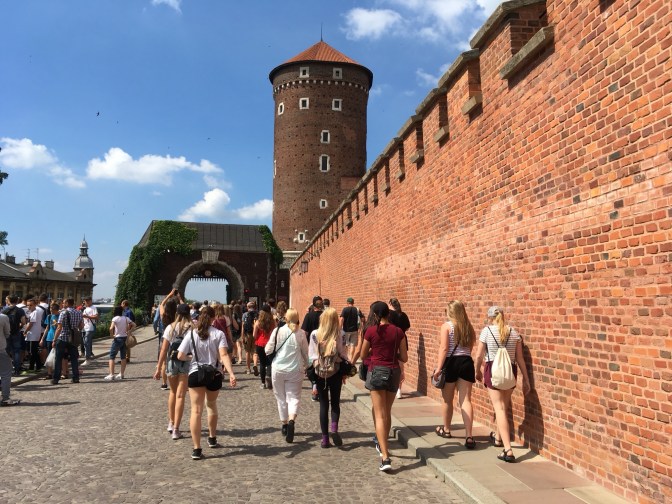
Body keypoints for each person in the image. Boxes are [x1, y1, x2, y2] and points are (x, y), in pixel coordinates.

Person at [176, 306, 237, 460]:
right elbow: (223, 355)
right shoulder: (218, 334)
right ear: (213, 318)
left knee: (196, 411)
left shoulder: (191, 334)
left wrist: (191, 358)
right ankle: (212, 437)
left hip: (195, 373)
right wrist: (231, 373)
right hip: (213, 374)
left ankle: (196, 449)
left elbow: (180, 355)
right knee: (211, 405)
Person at [474, 306, 531, 463]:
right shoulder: (514, 332)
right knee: (503, 407)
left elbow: (479, 355)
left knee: (498, 408)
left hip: (493, 369)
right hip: (510, 370)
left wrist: (477, 371)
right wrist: (526, 379)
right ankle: (498, 438)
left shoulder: (487, 331)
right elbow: (520, 358)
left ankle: (508, 450)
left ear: (490, 317)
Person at [359, 301, 407, 471]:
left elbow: (363, 354)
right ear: (388, 313)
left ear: (375, 315)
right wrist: (391, 353)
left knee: (379, 415)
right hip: (393, 372)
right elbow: (404, 357)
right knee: (387, 412)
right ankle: (384, 444)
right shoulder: (399, 331)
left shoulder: (371, 331)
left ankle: (385, 456)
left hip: (377, 371)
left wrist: (375, 351)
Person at [431, 300, 477, 449]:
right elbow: (470, 348)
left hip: (451, 363)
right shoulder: (468, 327)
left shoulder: (447, 326)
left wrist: (439, 368)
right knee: (466, 400)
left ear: (450, 312)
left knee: (447, 399)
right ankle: (469, 436)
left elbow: (444, 348)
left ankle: (446, 429)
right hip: (466, 362)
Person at [265, 308, 308, 443]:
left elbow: (268, 349)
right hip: (295, 369)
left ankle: (284, 425)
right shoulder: (301, 333)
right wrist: (308, 366)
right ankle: (291, 421)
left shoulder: (277, 331)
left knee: (281, 398)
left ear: (286, 318)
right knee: (293, 397)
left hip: (278, 369)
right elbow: (306, 353)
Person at [308, 307, 349, 448]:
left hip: (320, 373)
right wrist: (345, 372)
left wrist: (314, 377)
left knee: (323, 404)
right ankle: (334, 429)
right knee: (335, 403)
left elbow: (312, 355)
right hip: (336, 371)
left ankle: (325, 439)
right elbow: (343, 354)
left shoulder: (315, 334)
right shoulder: (341, 334)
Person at [154, 303, 191, 440]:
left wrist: (158, 368)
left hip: (172, 361)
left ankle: (171, 422)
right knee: (181, 396)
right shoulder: (193, 328)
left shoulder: (170, 327)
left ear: (177, 314)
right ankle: (176, 429)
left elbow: (164, 349)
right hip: (186, 361)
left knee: (173, 393)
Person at [52, 298, 84, 385]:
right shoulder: (79, 312)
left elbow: (59, 327)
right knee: (74, 359)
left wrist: (54, 339)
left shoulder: (63, 313)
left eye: (63, 303)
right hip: (73, 339)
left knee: (58, 359)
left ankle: (56, 379)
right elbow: (81, 326)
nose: (63, 304)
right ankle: (75, 377)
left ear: (67, 303)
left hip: (63, 338)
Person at [301, 296, 324, 401]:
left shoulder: (309, 315)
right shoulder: (325, 315)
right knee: (322, 366)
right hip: (324, 345)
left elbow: (304, 332)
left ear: (313, 305)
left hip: (312, 345)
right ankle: (320, 389)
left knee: (312, 368)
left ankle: (315, 388)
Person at [105, 306, 136, 381]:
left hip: (117, 338)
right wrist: (129, 331)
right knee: (123, 357)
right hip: (124, 338)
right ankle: (121, 374)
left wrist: (112, 335)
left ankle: (111, 374)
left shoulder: (115, 318)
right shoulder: (126, 318)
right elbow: (134, 325)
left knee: (112, 356)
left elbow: (111, 328)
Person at [2, 295, 26, 376]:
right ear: (17, 301)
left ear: (9, 300)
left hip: (6, 333)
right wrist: (19, 327)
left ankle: (6, 370)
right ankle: (17, 370)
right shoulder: (20, 310)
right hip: (16, 333)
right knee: (16, 352)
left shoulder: (4, 310)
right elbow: (23, 322)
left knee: (6, 352)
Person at [253, 304, 276, 389]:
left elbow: (254, 335)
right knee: (270, 362)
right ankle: (268, 375)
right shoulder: (273, 322)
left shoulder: (258, 322)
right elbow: (275, 333)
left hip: (260, 344)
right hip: (270, 344)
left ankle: (263, 383)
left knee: (262, 363)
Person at [0, 309, 20, 405]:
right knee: (6, 374)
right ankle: (5, 398)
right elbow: (7, 333)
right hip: (0, 349)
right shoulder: (3, 317)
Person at [22, 298, 44, 373]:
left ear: (35, 305)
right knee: (34, 352)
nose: (29, 307)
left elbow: (31, 324)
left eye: (30, 305)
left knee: (32, 352)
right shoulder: (32, 312)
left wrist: (25, 331)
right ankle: (38, 366)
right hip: (32, 335)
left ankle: (31, 367)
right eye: (28, 305)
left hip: (33, 335)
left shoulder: (35, 312)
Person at [39, 303, 60, 380]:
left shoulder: (60, 316)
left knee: (58, 356)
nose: (51, 312)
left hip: (58, 338)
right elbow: (47, 328)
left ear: (57, 310)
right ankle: (49, 373)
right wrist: (42, 339)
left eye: (53, 310)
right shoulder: (49, 316)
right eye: (51, 310)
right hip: (49, 338)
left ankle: (57, 372)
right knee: (49, 356)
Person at [340, 297, 364, 363]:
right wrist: (361, 327)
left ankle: (347, 358)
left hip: (346, 330)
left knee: (346, 344)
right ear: (353, 303)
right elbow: (362, 319)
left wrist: (340, 328)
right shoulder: (357, 309)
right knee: (352, 345)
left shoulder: (345, 309)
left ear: (347, 303)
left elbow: (341, 319)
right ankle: (350, 359)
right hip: (354, 330)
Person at [241, 301, 258, 375]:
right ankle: (255, 365)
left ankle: (248, 369)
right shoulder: (257, 314)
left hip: (247, 334)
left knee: (247, 352)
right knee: (255, 352)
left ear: (248, 307)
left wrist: (242, 336)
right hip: (255, 334)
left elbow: (243, 326)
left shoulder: (245, 314)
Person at [81, 296, 98, 365]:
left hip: (90, 328)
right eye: (86, 301)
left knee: (86, 343)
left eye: (88, 301)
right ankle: (88, 357)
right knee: (86, 343)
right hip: (84, 328)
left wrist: (87, 316)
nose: (87, 302)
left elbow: (96, 317)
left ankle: (87, 359)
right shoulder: (85, 309)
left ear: (91, 301)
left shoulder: (93, 308)